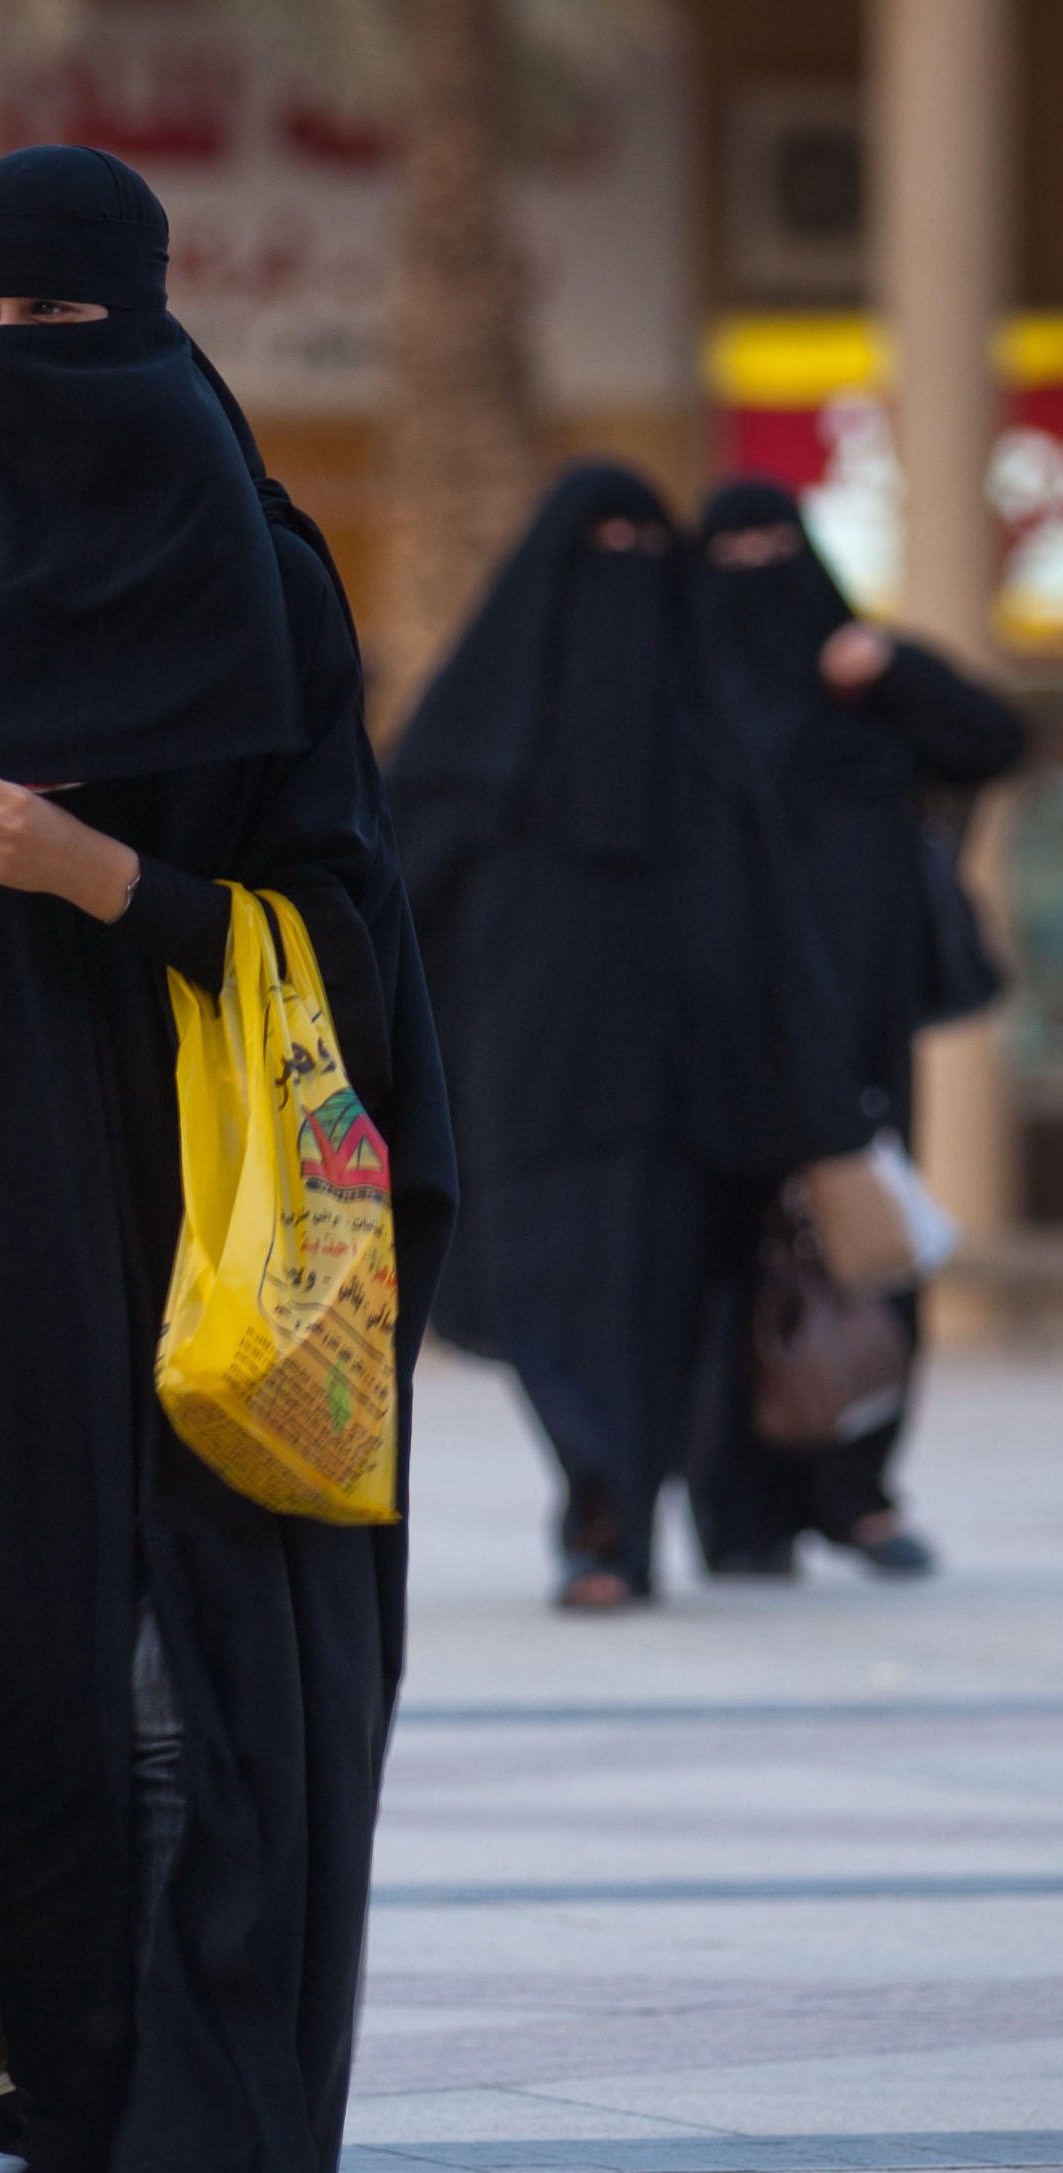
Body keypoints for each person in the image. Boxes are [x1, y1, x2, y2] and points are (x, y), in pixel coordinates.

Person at [0, 145, 455, 2173]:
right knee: (62, 1709)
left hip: (229, 1218)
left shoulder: (262, 575)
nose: (32, 370)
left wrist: (105, 880)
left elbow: (347, 941)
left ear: (155, 324)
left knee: (233, 1700)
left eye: (71, 328)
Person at [684, 480, 1027, 1580]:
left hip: (863, 1025)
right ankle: (743, 1512)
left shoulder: (863, 691)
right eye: (726, 548)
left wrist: (894, 669)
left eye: (771, 544)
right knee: (733, 1265)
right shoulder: (687, 694)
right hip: (727, 1031)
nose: (751, 566)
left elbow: (994, 739)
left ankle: (859, 1492)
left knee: (872, 1244)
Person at [388, 466, 710, 1607]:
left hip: (684, 1085)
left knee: (663, 1305)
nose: (625, 568)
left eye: (643, 541)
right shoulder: (479, 729)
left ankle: (619, 1505)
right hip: (523, 1076)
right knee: (545, 1299)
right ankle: (600, 1498)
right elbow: (390, 893)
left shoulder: (707, 716)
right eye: (598, 545)